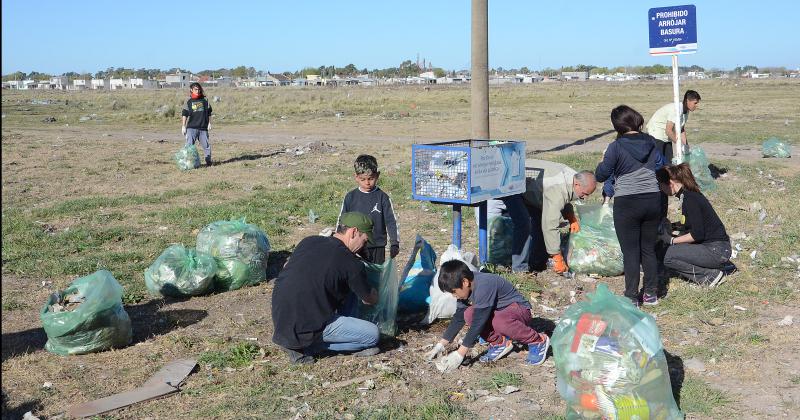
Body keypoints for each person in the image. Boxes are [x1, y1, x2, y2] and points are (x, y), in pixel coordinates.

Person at [271, 212, 380, 364]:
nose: (364, 246)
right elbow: (369, 299)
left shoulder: (309, 241)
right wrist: (378, 290)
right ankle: (309, 347)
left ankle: (296, 340)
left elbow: (286, 266)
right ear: (354, 232)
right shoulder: (351, 263)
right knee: (372, 336)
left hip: (282, 318)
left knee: (348, 288)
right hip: (308, 325)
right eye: (365, 240)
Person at [424, 260, 550, 372]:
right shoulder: (466, 290)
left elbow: (479, 321)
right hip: (499, 312)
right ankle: (499, 343)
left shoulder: (484, 285)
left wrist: (460, 354)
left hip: (519, 310)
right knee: (468, 314)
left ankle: (537, 340)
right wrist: (440, 345)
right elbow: (459, 318)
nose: (454, 296)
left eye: (454, 292)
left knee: (499, 322)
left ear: (465, 282)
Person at [595, 105, 664, 306]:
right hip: (652, 199)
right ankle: (651, 293)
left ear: (617, 125)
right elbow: (660, 165)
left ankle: (632, 296)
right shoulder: (651, 142)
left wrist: (603, 161)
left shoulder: (615, 147)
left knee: (631, 252)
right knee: (648, 249)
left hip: (627, 203)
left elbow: (601, 175)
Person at [657, 163, 736, 287]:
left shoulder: (690, 199)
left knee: (668, 256)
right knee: (670, 250)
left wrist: (671, 240)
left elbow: (697, 234)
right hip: (717, 248)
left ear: (670, 183)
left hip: (717, 251)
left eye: (661, 185)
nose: (661, 190)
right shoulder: (688, 196)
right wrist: (673, 226)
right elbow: (690, 223)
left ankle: (710, 276)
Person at [521, 159, 597, 274]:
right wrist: (557, 256)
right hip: (520, 185)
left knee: (539, 228)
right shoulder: (557, 189)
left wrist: (570, 215)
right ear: (577, 184)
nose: (585, 198)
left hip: (539, 187)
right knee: (532, 226)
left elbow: (566, 196)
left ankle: (537, 262)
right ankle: (529, 266)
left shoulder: (573, 177)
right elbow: (550, 225)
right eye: (585, 194)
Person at [337, 154, 400, 264]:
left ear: (377, 175)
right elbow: (341, 220)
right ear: (356, 177)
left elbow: (391, 222)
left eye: (371, 178)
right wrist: (338, 241)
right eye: (363, 179)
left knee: (376, 277)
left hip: (377, 246)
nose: (367, 182)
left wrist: (394, 243)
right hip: (355, 245)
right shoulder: (350, 197)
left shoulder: (383, 198)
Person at [645, 90, 701, 164]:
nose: (697, 105)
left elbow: (681, 129)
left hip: (666, 135)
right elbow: (668, 131)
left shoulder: (686, 111)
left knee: (669, 161)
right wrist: (679, 145)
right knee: (659, 161)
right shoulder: (676, 109)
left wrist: (686, 146)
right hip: (656, 132)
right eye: (695, 103)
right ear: (687, 101)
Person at [181, 82, 213, 166]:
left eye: (199, 89)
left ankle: (208, 162)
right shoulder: (188, 101)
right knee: (189, 146)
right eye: (195, 89)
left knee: (206, 146)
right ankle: (187, 163)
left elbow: (209, 112)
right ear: (191, 90)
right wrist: (183, 126)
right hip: (191, 128)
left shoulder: (205, 100)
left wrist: (209, 123)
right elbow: (184, 114)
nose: (197, 91)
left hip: (203, 128)